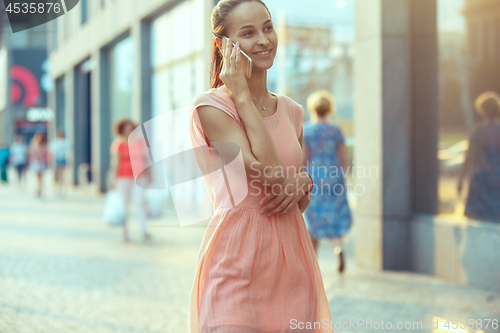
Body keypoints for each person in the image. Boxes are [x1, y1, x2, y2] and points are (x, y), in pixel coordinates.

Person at [188, 1, 333, 332]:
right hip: (235, 265)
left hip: (292, 266)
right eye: (248, 33)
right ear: (222, 45)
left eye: (268, 27)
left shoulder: (293, 110)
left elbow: (294, 203)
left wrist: (304, 182)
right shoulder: (211, 108)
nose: (264, 40)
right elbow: (268, 175)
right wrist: (241, 94)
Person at [302, 90, 352, 274]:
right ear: (330, 109)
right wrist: (341, 175)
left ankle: (313, 263)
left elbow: (303, 158)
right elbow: (343, 156)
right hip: (333, 178)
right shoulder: (335, 130)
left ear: (312, 109)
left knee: (313, 220)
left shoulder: (306, 130)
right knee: (334, 217)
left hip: (313, 179)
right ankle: (339, 251)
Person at [457, 91, 500, 223]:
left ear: (483, 111)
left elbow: (469, 157)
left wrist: (460, 179)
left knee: (478, 221)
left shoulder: (479, 130)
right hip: (498, 180)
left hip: (481, 180)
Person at [108, 118, 152, 242]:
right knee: (124, 204)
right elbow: (115, 163)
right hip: (123, 177)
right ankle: (124, 231)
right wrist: (112, 179)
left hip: (140, 176)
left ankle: (144, 230)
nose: (129, 132)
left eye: (130, 129)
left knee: (140, 201)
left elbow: (146, 158)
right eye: (126, 129)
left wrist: (150, 174)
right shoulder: (118, 144)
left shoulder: (140, 141)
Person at [49, 130, 69, 196]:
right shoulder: (57, 142)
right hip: (58, 159)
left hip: (61, 159)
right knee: (58, 175)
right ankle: (58, 189)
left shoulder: (64, 142)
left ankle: (60, 189)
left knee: (61, 175)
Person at [28, 132, 48, 198]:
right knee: (41, 179)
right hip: (41, 163)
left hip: (36, 163)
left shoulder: (34, 146)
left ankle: (38, 189)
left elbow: (31, 154)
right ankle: (40, 189)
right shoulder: (44, 146)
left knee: (37, 178)